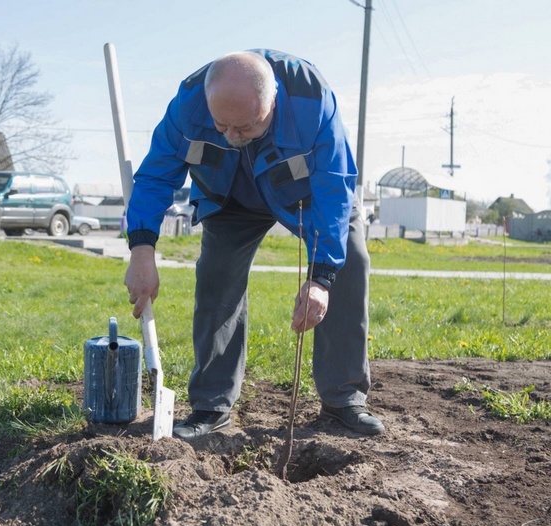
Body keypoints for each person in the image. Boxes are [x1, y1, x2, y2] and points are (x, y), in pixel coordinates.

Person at [123, 49, 384, 440]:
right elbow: (156, 177)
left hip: (305, 198)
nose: (231, 136)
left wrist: (322, 276)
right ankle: (212, 406)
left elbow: (334, 184)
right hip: (229, 195)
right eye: (220, 125)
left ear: (273, 101)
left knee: (351, 261)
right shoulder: (188, 105)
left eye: (244, 127)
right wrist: (142, 249)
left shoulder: (311, 100)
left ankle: (342, 399)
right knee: (216, 275)